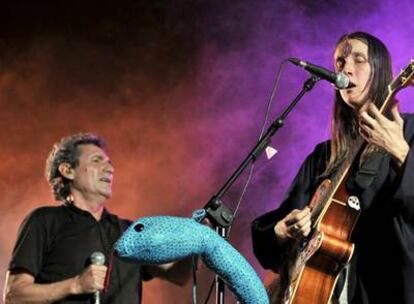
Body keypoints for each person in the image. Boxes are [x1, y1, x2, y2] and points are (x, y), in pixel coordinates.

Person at [251, 32, 414, 303]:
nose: (346, 68)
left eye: (359, 60)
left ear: (382, 70)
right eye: (340, 61)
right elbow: (281, 228)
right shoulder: (322, 156)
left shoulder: (409, 131)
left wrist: (400, 152)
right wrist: (283, 230)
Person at [3, 133, 191, 304]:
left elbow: (178, 275)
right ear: (67, 170)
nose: (110, 169)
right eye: (96, 160)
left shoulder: (130, 231)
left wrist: (199, 241)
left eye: (109, 163)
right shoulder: (44, 220)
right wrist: (76, 285)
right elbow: (14, 295)